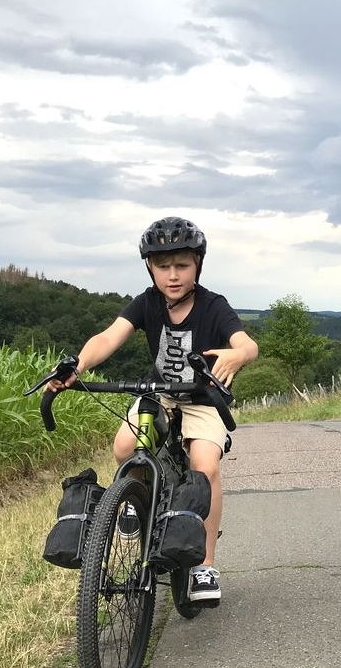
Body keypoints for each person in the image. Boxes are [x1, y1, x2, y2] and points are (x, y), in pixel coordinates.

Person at [46, 216, 258, 602]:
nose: (172, 275)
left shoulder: (213, 306)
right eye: (163, 266)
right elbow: (109, 336)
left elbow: (247, 344)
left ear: (198, 265)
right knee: (125, 446)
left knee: (205, 466)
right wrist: (78, 365)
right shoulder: (146, 303)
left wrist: (238, 354)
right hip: (160, 394)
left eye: (182, 265)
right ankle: (139, 501)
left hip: (201, 398)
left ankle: (204, 567)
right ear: (150, 268)